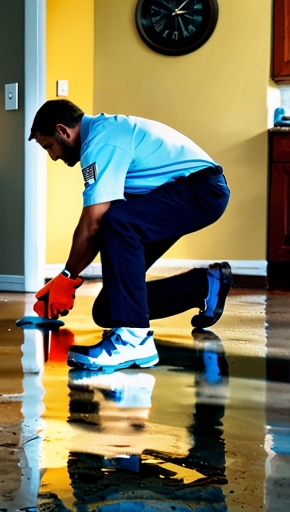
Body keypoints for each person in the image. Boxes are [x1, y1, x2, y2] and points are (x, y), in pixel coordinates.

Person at [28, 99, 231, 372]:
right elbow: (99, 226)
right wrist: (68, 277)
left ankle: (134, 340)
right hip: (176, 193)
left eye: (49, 147)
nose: (52, 156)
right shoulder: (101, 138)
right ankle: (204, 286)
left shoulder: (102, 141)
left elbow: (94, 222)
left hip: (202, 189)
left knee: (118, 222)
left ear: (63, 131)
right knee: (109, 308)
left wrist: (67, 277)